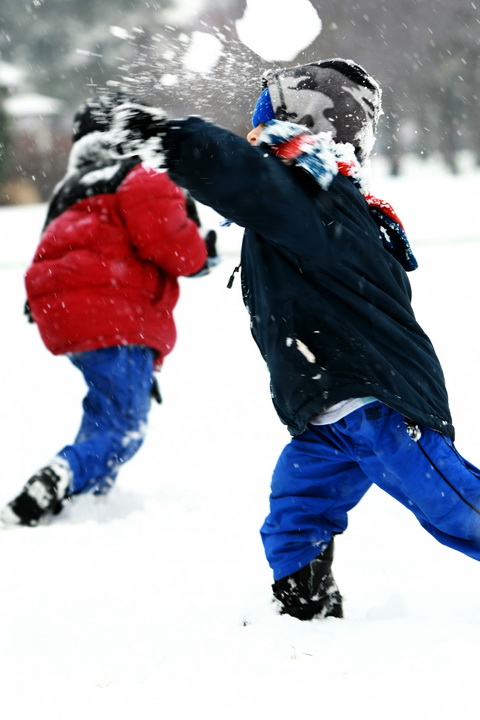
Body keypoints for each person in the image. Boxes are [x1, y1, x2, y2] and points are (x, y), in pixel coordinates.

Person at [110, 59, 480, 620]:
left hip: (380, 402)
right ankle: (303, 597)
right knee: (296, 509)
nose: (252, 135)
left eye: (262, 123)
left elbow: (238, 172)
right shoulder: (307, 197)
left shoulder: (309, 194)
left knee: (455, 508)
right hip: (326, 412)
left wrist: (167, 138)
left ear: (299, 124)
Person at [0, 91, 210, 528]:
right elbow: (170, 245)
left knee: (107, 410)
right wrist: (200, 251)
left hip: (60, 309)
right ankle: (63, 473)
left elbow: (54, 244)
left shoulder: (71, 187)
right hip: (115, 310)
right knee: (123, 428)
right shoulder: (142, 174)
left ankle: (86, 497)